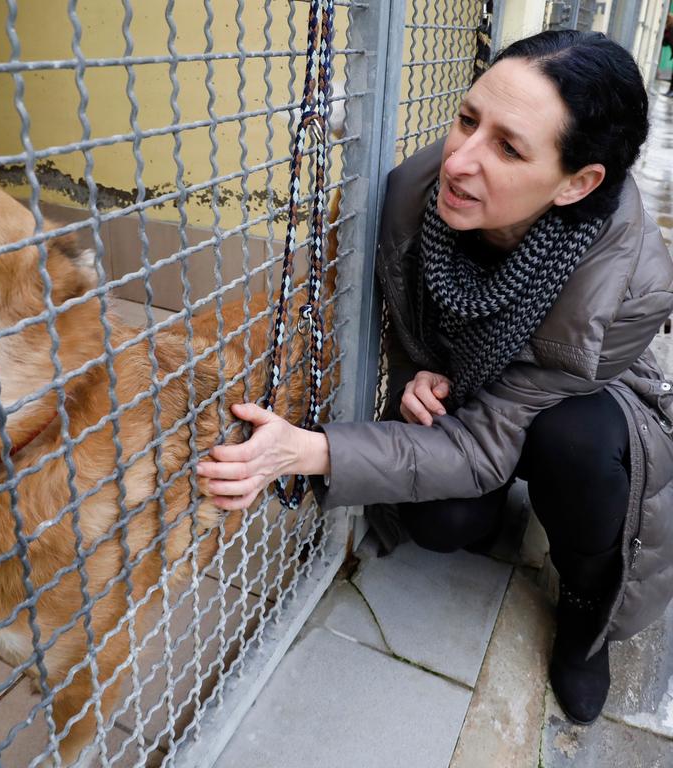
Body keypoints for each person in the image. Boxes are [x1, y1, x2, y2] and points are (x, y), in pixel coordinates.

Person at [197, 29, 673, 727]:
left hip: (581, 398)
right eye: (468, 119)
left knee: (577, 443)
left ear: (577, 182)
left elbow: (493, 431)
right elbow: (402, 333)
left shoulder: (632, 285)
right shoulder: (409, 198)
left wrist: (309, 450)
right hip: (470, 388)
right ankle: (490, 509)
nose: (460, 160)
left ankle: (584, 605)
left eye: (508, 149)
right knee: (442, 521)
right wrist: (422, 372)